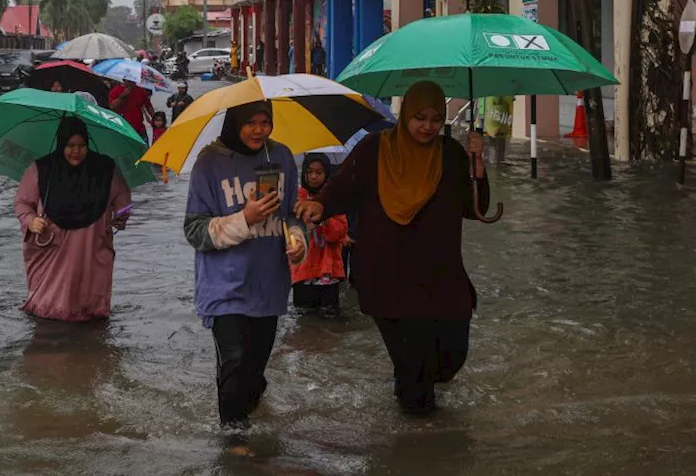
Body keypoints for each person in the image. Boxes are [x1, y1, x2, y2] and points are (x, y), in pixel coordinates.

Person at [295, 81, 488, 417]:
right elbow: (342, 188)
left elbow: (474, 209)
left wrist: (478, 165)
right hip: (388, 276)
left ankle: (420, 419)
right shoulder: (374, 149)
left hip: (442, 277)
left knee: (451, 357)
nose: (427, 126)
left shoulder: (452, 154)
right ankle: (415, 448)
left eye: (434, 118)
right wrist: (319, 207)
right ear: (405, 116)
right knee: (414, 375)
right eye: (419, 118)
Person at [183, 101, 308, 429]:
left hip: (268, 284)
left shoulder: (281, 157)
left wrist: (297, 239)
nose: (259, 130)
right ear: (234, 122)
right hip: (223, 285)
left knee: (253, 369)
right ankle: (234, 440)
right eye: (250, 122)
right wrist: (245, 219)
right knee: (235, 361)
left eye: (265, 122)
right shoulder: (209, 164)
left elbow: (292, 213)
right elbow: (194, 231)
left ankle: (250, 406)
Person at [13, 117, 132, 321]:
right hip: (52, 249)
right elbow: (22, 203)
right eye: (70, 146)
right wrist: (30, 221)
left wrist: (121, 214)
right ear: (61, 144)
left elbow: (123, 197)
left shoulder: (104, 169)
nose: (76, 151)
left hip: (90, 248)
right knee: (48, 313)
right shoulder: (41, 169)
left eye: (81, 146)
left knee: (90, 313)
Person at [290, 154, 348, 317]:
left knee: (330, 324)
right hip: (303, 273)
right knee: (305, 324)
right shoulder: (296, 199)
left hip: (328, 274)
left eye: (319, 172)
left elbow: (340, 232)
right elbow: (289, 233)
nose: (313, 176)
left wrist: (323, 217)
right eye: (309, 172)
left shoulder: (334, 199)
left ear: (327, 174)